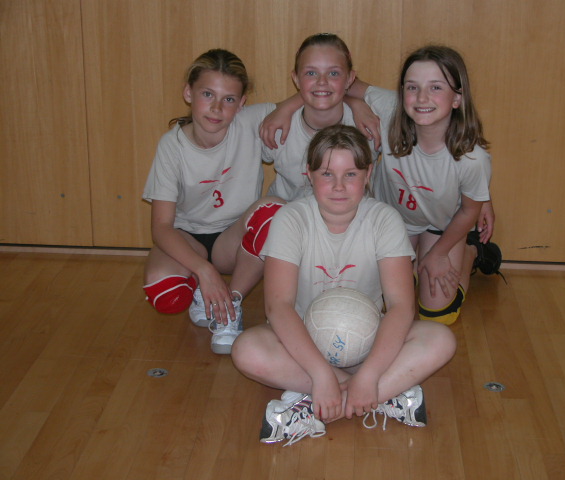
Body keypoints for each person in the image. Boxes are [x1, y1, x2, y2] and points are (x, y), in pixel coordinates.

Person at [231, 125, 457, 446]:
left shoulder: (384, 220)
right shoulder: (291, 219)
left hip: (368, 346)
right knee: (247, 350)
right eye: (327, 174)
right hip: (301, 347)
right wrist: (321, 374)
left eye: (350, 174)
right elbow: (278, 307)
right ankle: (383, 395)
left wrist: (369, 373)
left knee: (440, 339)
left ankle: (312, 407)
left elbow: (401, 306)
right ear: (308, 174)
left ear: (368, 174)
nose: (338, 186)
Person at [344, 45, 502, 325]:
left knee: (439, 316)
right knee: (378, 303)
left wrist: (439, 254)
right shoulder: (390, 110)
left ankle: (470, 252)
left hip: (441, 226)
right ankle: (414, 263)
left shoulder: (472, 158)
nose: (422, 97)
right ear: (402, 92)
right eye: (412, 87)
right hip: (393, 224)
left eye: (436, 87)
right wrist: (355, 103)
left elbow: (469, 211)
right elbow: (340, 83)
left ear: (457, 98)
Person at [142, 49, 284, 354]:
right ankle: (200, 285)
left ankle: (229, 305)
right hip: (188, 239)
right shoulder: (171, 146)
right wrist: (204, 271)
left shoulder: (249, 122)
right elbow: (161, 227)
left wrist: (356, 103)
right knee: (165, 295)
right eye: (208, 94)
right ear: (188, 93)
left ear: (241, 103)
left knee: (275, 211)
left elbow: (309, 99)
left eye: (229, 99)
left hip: (233, 240)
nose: (217, 108)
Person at [260, 33, 381, 202]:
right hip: (287, 213)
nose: (322, 81)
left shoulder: (370, 125)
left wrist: (355, 102)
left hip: (352, 215)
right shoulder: (276, 127)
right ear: (296, 79)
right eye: (311, 73)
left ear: (350, 79)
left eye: (333, 73)